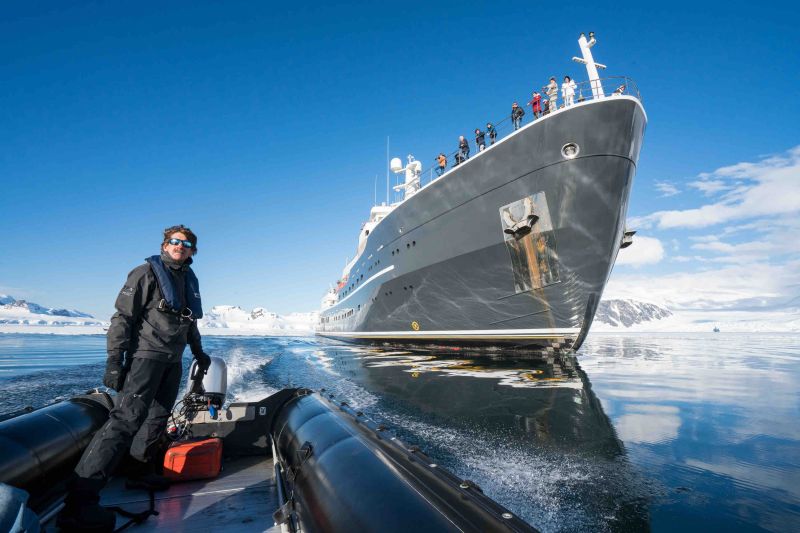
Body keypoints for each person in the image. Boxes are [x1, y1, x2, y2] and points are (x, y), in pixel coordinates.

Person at [58, 225, 211, 531]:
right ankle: (78, 503)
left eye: (186, 243)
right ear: (164, 245)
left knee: (158, 416)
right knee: (125, 420)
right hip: (146, 358)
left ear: (193, 251)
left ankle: (139, 471)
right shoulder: (144, 273)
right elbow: (122, 319)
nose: (180, 246)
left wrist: (198, 351)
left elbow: (188, 321)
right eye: (174, 241)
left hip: (173, 360)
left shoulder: (186, 279)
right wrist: (115, 360)